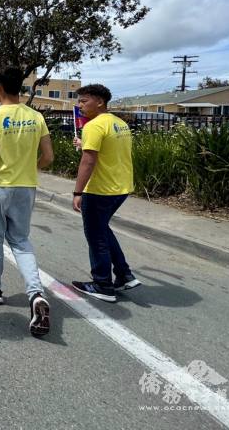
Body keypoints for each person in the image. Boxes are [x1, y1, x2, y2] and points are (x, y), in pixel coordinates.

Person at [0, 68, 53, 337]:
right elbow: (48, 156)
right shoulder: (36, 117)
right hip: (25, 187)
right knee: (21, 241)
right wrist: (29, 168)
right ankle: (36, 295)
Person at [71, 84, 141, 302]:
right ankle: (124, 274)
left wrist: (77, 191)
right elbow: (108, 150)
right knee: (102, 229)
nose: (80, 105)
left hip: (100, 189)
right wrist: (84, 144)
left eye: (84, 101)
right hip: (121, 187)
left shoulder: (94, 126)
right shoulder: (120, 124)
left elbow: (88, 160)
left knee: (96, 236)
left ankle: (102, 284)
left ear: (100, 102)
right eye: (79, 101)